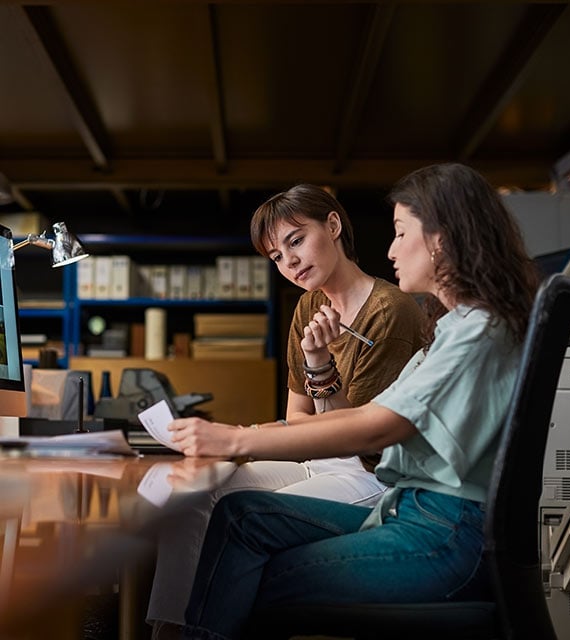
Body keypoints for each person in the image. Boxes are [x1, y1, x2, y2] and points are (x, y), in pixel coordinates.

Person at [169, 162, 541, 640]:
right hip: (414, 513)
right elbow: (358, 417)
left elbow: (376, 428)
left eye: (400, 232)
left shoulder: (477, 331)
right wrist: (263, 419)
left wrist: (237, 438)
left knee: (245, 572)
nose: (389, 250)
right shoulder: (453, 327)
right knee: (239, 516)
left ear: (442, 239)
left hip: (443, 534)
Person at [146, 184, 426, 637]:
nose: (289, 262)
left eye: (296, 241)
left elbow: (364, 438)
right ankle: (169, 628)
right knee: (192, 493)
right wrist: (317, 370)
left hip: (374, 474)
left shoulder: (389, 311)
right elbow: (300, 420)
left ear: (333, 225)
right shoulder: (309, 306)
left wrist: (320, 367)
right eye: (276, 256)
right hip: (319, 459)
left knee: (242, 515)